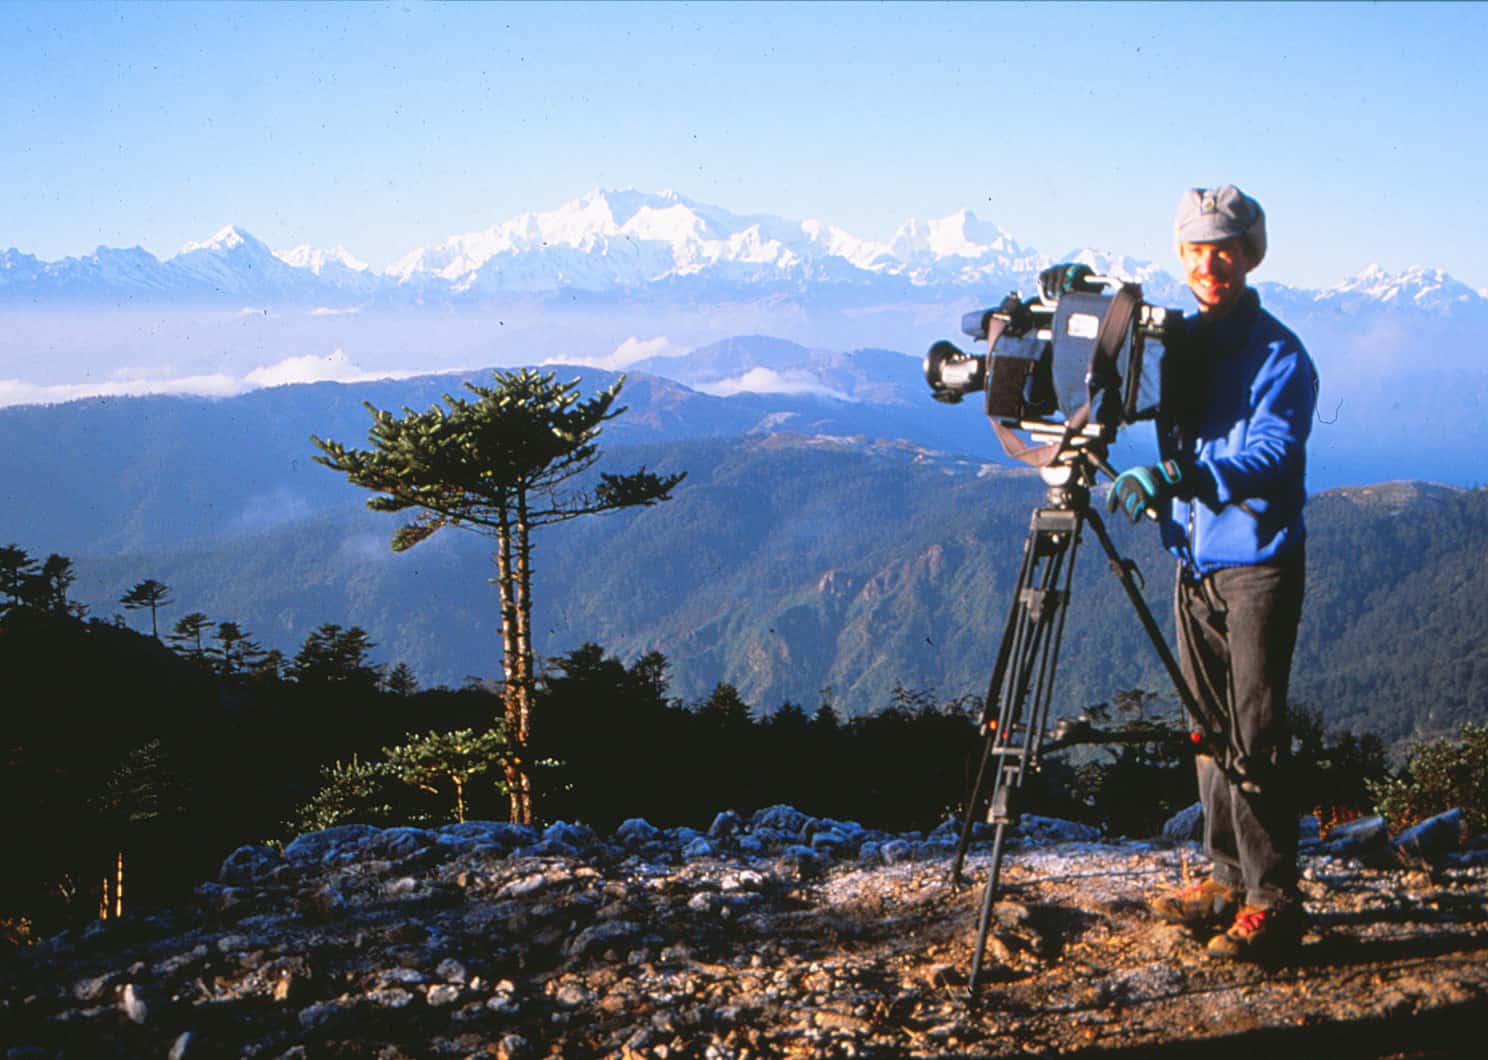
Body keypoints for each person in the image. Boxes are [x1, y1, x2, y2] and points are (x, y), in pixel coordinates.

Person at [1107, 184, 1318, 961]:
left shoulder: (1280, 355)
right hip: (1191, 556)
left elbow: (1272, 454)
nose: (1209, 263)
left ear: (1249, 254)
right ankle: (1225, 875)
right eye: (1195, 250)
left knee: (1254, 732)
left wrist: (1181, 481)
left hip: (1256, 563)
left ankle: (1274, 898)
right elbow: (1138, 410)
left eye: (1223, 249)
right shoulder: (1182, 345)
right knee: (1208, 728)